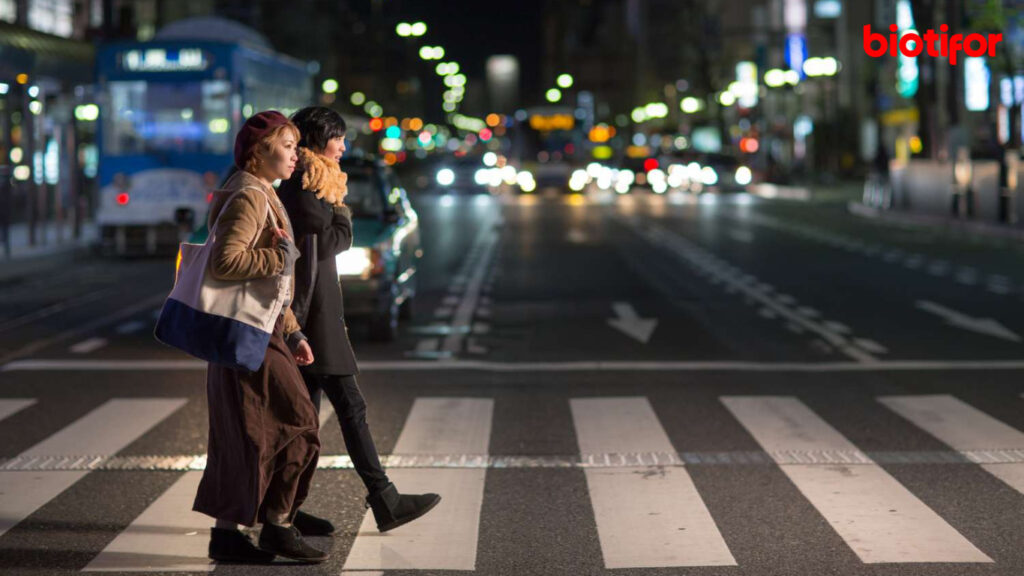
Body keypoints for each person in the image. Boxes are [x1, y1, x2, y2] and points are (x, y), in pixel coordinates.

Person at [279, 106, 441, 534]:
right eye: (338, 139)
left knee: (305, 421)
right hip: (310, 318)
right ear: (319, 140)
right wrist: (343, 213)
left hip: (317, 314)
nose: (344, 147)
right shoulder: (304, 187)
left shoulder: (314, 182)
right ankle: (383, 499)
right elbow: (330, 240)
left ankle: (285, 510)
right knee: (348, 407)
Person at [193, 110, 328, 564]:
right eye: (288, 146)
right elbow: (226, 263)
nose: (296, 155)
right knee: (299, 424)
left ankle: (230, 533)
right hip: (248, 332)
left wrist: (292, 333)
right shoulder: (250, 196)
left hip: (261, 329)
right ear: (261, 150)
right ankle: (277, 525)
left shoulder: (261, 191)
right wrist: (277, 258)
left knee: (246, 432)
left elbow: (274, 285)